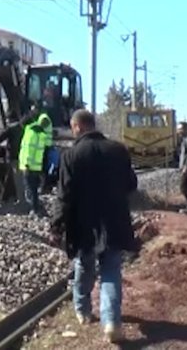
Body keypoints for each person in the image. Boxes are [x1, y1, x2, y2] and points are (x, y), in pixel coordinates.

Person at [50, 109, 138, 344]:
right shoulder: (118, 150)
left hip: (84, 224)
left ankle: (82, 309)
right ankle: (111, 321)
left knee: (84, 264)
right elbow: (131, 184)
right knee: (111, 270)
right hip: (114, 221)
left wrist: (57, 224)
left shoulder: (71, 155)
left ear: (77, 127)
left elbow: (64, 196)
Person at [19, 114, 52, 216]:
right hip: (37, 165)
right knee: (34, 189)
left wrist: (26, 164)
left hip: (28, 165)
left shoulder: (30, 132)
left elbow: (28, 149)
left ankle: (35, 209)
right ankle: (38, 209)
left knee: (30, 189)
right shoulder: (41, 133)